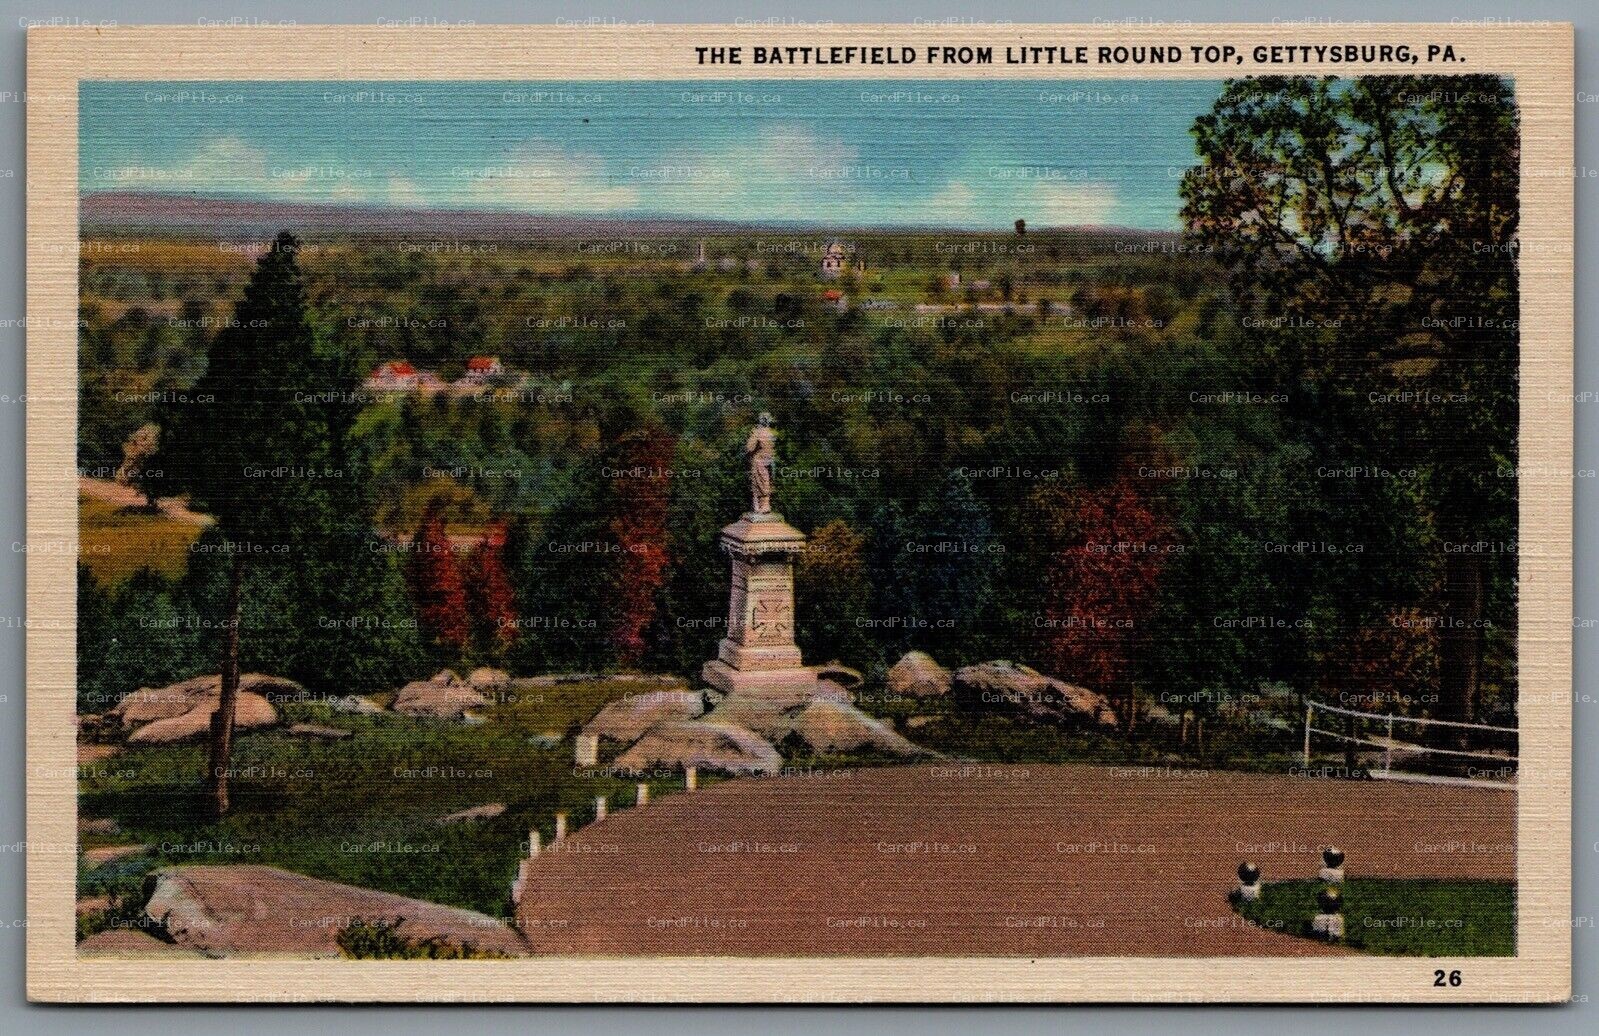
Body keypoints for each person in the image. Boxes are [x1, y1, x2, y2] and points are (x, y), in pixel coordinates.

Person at [746, 413, 777, 515]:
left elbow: (749, 448)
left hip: (758, 461)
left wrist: (753, 435)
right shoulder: (771, 433)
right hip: (768, 461)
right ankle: (765, 505)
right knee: (766, 482)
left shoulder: (758, 433)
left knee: (758, 483)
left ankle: (759, 506)